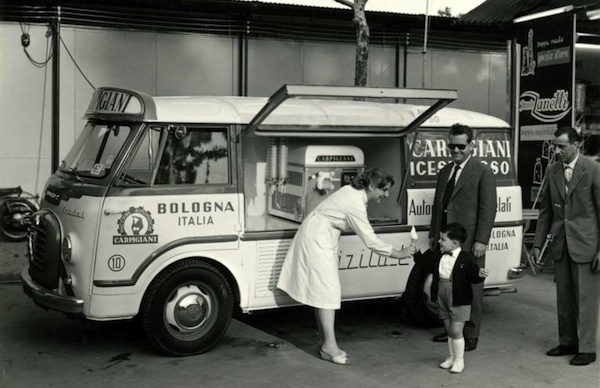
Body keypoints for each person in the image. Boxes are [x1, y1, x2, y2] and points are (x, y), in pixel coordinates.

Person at [277, 168, 416, 365]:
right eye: (384, 190)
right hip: (317, 239)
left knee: (323, 292)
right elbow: (370, 241)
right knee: (328, 292)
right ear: (371, 186)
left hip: (319, 235)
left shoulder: (353, 193)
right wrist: (399, 253)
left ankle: (325, 341)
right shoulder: (355, 202)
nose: (385, 195)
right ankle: (329, 346)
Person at [530, 126, 600, 366]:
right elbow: (545, 211)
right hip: (561, 244)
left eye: (562, 146)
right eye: (554, 145)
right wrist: (538, 244)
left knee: (586, 299)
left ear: (576, 145)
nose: (556, 150)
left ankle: (588, 348)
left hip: (587, 245)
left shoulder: (592, 169)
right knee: (564, 297)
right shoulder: (552, 171)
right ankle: (568, 341)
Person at [429, 123, 497, 351]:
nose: (456, 150)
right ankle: (451, 331)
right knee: (446, 285)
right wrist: (433, 236)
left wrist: (481, 240)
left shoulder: (483, 172)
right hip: (446, 241)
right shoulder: (444, 171)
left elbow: (488, 209)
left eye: (461, 146)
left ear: (471, 146)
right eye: (451, 146)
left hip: (469, 241)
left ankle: (470, 333)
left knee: (471, 288)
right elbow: (438, 207)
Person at [416, 222, 488, 373]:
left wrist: (479, 275)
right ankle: (451, 357)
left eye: (443, 239)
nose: (439, 242)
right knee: (449, 329)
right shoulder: (438, 255)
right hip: (442, 294)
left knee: (456, 330)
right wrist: (416, 254)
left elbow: (474, 276)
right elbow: (425, 265)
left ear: (454, 243)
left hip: (459, 297)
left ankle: (460, 360)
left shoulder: (466, 258)